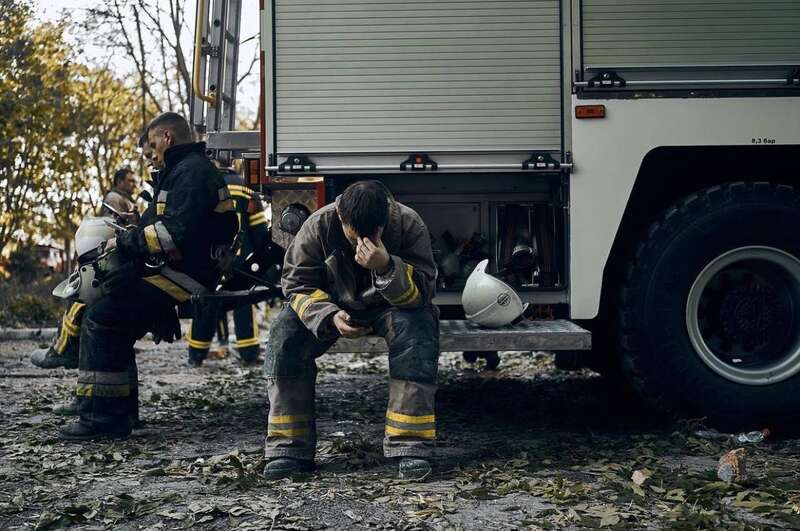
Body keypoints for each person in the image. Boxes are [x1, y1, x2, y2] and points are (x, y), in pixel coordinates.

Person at [59, 112, 238, 440]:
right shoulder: (183, 170)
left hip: (182, 276)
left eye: (153, 147)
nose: (152, 156)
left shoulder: (190, 173)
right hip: (179, 271)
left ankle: (104, 418)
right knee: (107, 311)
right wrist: (135, 228)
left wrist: (123, 241)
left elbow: (172, 234)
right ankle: (117, 411)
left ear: (168, 138)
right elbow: (167, 226)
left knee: (104, 317)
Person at [263, 180, 440, 481]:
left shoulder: (409, 224)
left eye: (374, 235)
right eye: (354, 235)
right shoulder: (318, 224)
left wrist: (386, 267)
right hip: (331, 306)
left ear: (384, 221)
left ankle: (410, 446)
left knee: (419, 329)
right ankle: (288, 450)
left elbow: (422, 294)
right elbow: (297, 285)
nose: (364, 242)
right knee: (284, 334)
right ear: (341, 218)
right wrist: (329, 317)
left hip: (391, 306)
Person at [30, 157, 148, 371]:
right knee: (81, 292)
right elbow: (115, 227)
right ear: (119, 181)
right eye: (129, 180)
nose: (133, 184)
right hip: (119, 251)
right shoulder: (114, 198)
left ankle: (62, 350)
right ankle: (63, 348)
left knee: (82, 296)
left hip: (133, 256)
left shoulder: (126, 198)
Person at [185, 164, 273, 367]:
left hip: (208, 259)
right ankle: (249, 353)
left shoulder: (200, 185)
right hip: (240, 260)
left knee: (205, 301)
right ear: (233, 165)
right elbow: (259, 229)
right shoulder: (246, 188)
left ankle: (196, 354)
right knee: (243, 302)